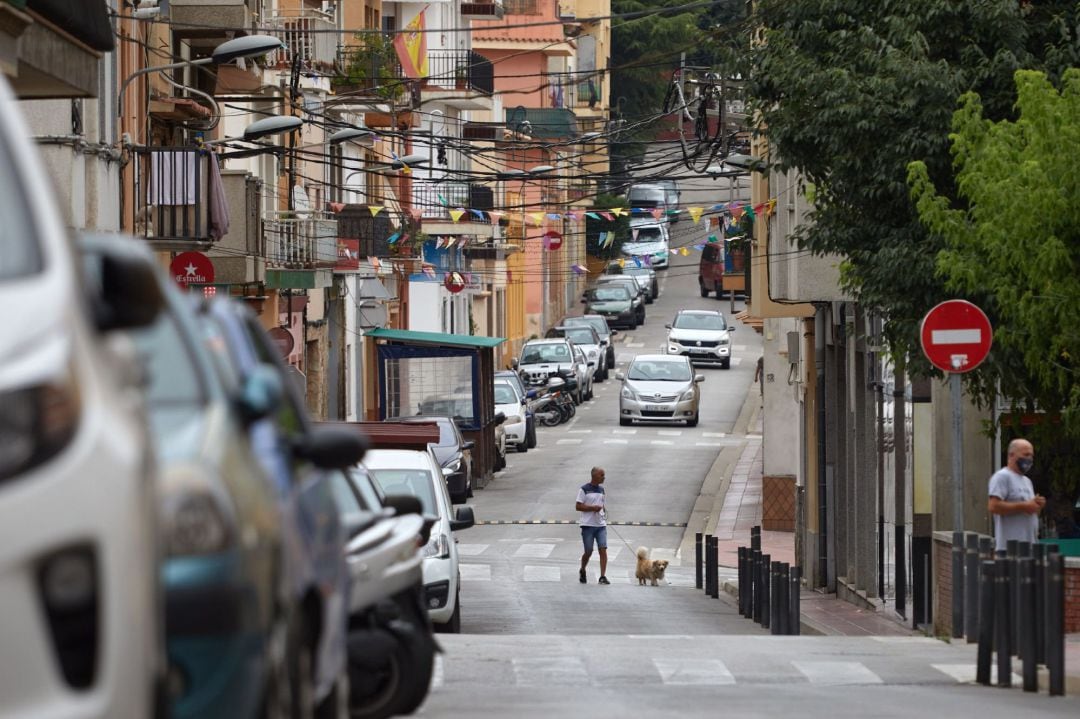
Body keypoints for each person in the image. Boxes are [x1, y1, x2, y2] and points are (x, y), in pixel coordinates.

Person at [987, 438, 1045, 553]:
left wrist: (1036, 506)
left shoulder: (1027, 481)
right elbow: (993, 506)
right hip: (1010, 552)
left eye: (1031, 456)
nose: (1029, 459)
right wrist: (1025, 506)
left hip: (1030, 549)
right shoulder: (1002, 477)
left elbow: (1028, 510)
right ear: (1011, 455)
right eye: (1026, 454)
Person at [576, 466, 609, 585]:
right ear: (594, 476)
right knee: (588, 551)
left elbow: (601, 504)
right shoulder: (584, 489)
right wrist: (592, 508)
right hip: (587, 525)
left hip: (600, 525)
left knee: (603, 549)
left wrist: (602, 511)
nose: (604, 477)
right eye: (602, 475)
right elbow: (578, 506)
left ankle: (602, 576)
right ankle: (583, 569)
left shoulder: (602, 490)